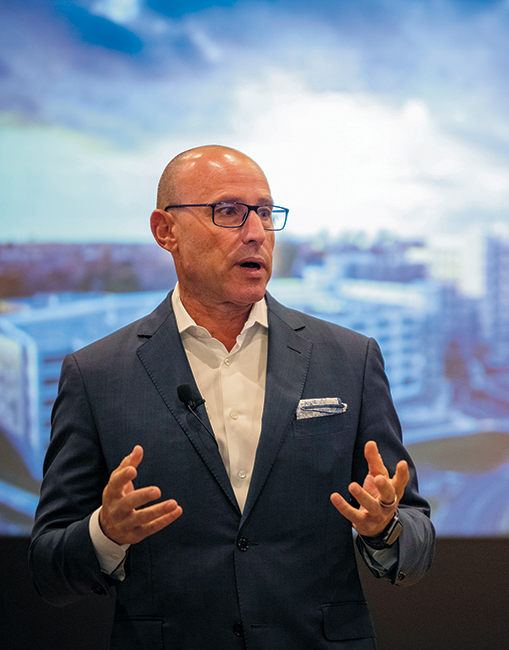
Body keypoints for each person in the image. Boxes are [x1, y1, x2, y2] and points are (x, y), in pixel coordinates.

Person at [29, 145, 436, 649]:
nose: (256, 232)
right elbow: (48, 568)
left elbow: (416, 538)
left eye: (265, 213)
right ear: (165, 231)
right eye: (229, 212)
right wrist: (106, 533)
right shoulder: (96, 374)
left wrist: (386, 529)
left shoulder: (350, 359)